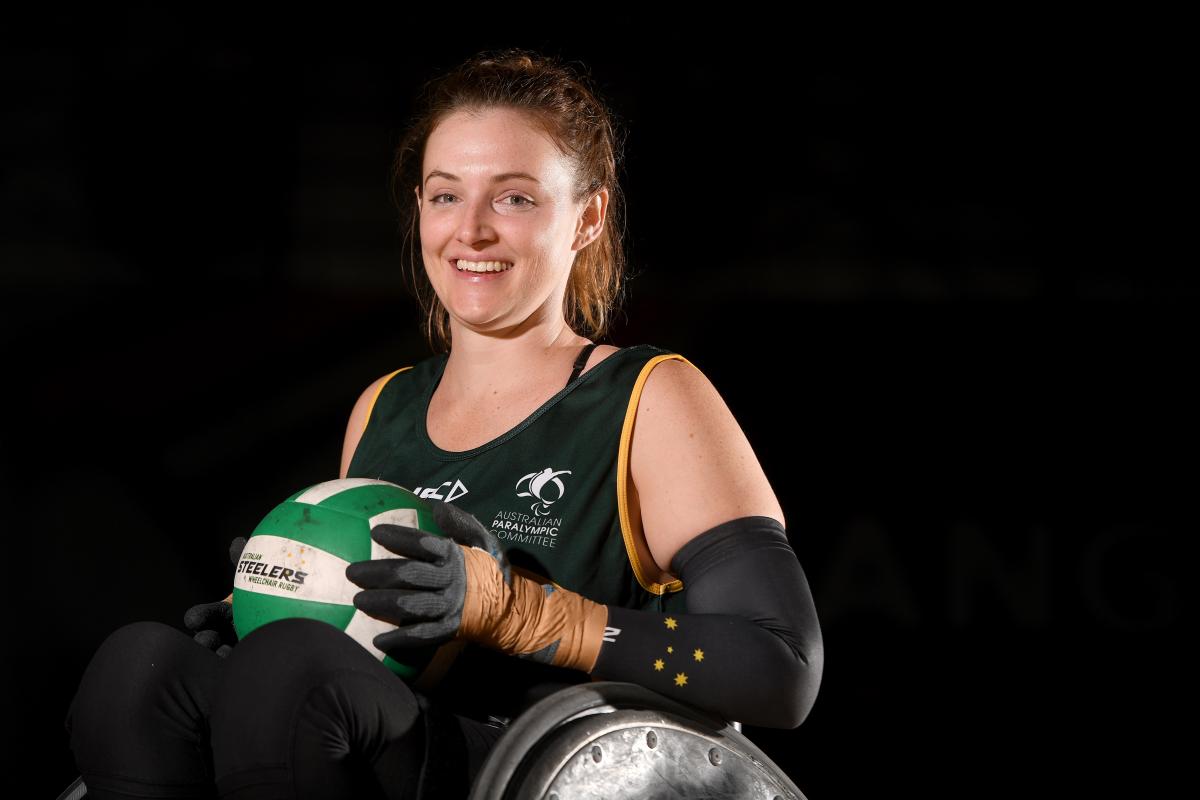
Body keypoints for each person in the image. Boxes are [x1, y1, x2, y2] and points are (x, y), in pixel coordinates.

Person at [65, 48, 823, 799]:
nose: (472, 231)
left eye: (515, 198)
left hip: (536, 766)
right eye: (445, 195)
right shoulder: (384, 405)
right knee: (141, 672)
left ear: (587, 217)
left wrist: (524, 612)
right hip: (386, 738)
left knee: (291, 673)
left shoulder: (648, 395)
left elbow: (780, 669)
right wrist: (283, 596)